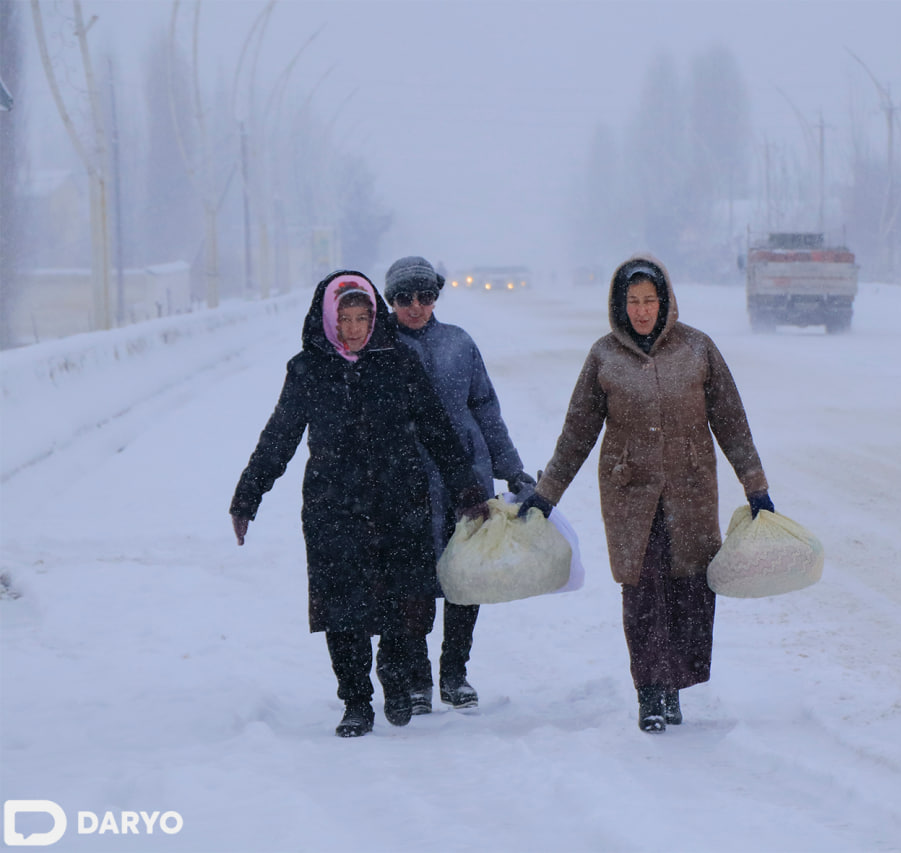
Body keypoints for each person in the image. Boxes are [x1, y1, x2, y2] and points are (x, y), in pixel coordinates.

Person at [518, 254, 775, 733]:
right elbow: (578, 432)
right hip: (630, 493)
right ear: (620, 304)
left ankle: (675, 684)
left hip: (691, 489)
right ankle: (651, 693)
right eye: (633, 301)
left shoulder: (698, 349)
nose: (641, 310)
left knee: (691, 589)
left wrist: (755, 485)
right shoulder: (604, 356)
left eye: (650, 300)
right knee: (642, 590)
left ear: (666, 301)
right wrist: (547, 492)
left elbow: (732, 422)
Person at [229, 271, 487, 738]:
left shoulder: (400, 362)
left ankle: (393, 673)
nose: (353, 328)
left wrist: (467, 489)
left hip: (399, 500)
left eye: (362, 317)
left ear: (374, 317)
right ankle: (355, 701)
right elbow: (279, 437)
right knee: (341, 607)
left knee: (401, 600)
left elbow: (437, 430)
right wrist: (248, 495)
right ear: (328, 319)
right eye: (344, 319)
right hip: (334, 505)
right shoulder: (307, 370)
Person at [383, 255, 536, 712]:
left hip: (466, 476)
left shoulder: (458, 343)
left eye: (425, 296)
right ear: (390, 300)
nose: (415, 306)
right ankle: (416, 678)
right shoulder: (380, 347)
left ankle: (455, 672)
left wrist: (511, 467)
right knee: (413, 580)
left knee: (467, 575)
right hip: (405, 479)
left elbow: (486, 408)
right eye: (404, 298)